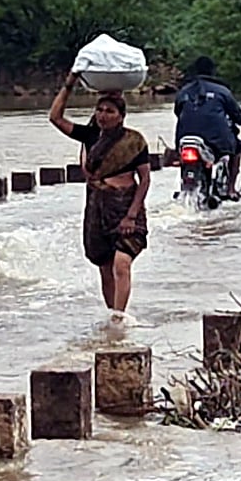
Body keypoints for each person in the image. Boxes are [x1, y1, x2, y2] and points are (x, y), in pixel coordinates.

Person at [49, 72, 151, 320]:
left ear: (121, 116)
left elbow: (145, 179)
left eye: (110, 111)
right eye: (100, 110)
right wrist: (70, 83)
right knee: (105, 267)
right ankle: (113, 315)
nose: (103, 115)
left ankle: (119, 317)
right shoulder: (90, 137)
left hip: (125, 208)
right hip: (97, 208)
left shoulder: (134, 141)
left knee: (121, 263)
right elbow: (55, 117)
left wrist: (131, 215)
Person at [173, 56, 241, 200]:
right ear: (212, 71)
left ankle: (184, 186)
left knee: (183, 159)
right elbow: (237, 115)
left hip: (184, 137)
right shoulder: (222, 91)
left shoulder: (183, 92)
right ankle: (230, 189)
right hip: (214, 139)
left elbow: (177, 112)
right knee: (237, 149)